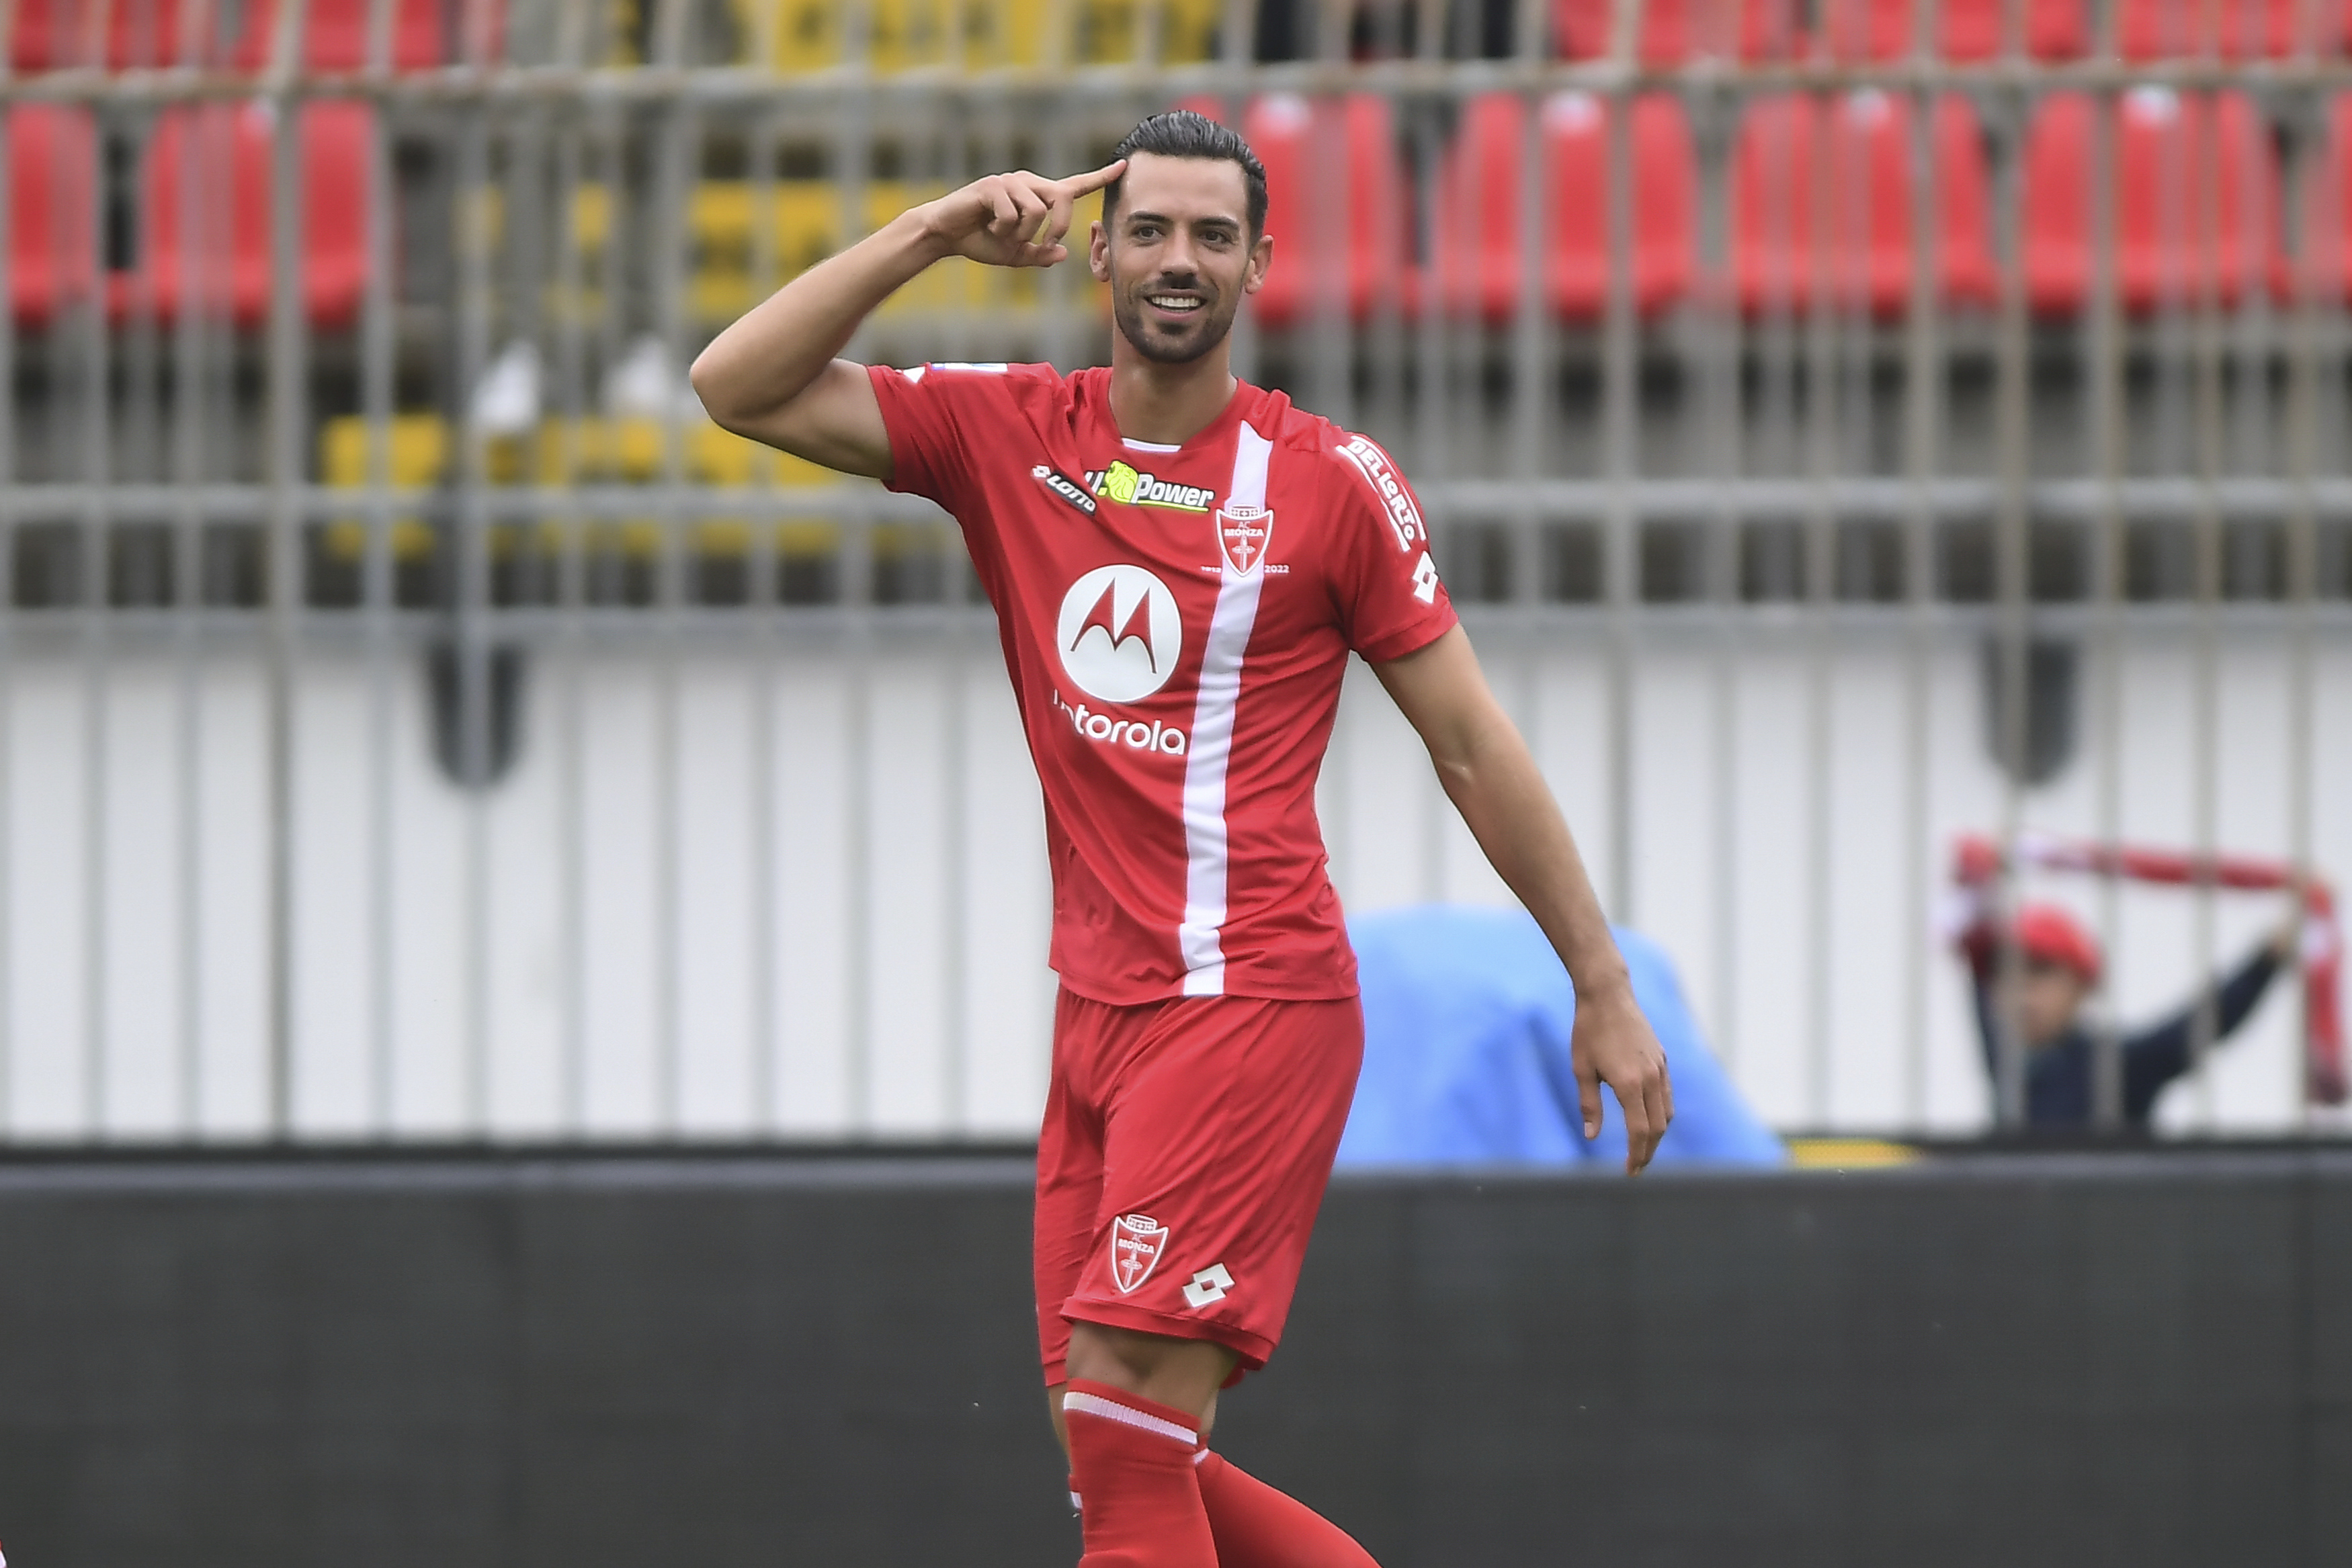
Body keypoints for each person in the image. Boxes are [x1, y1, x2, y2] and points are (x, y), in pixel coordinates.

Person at [690, 110, 1671, 1568]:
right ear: (1098, 251)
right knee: (1122, 1451)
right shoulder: (1011, 433)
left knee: (1126, 1431)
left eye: (1213, 235)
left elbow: (1469, 743)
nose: (1178, 258)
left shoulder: (1330, 483)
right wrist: (934, 232)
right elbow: (734, 386)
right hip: (1098, 1018)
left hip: (1248, 1000)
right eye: (1149, 228)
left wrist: (1596, 978)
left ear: (1259, 264)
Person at [1957, 900, 2294, 1128]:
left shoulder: (2116, 1066)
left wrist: (2267, 960)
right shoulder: (2009, 1063)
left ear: (2081, 988)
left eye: (2041, 972)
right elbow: (1974, 976)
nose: (2021, 994)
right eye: (2007, 975)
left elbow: (2197, 1027)